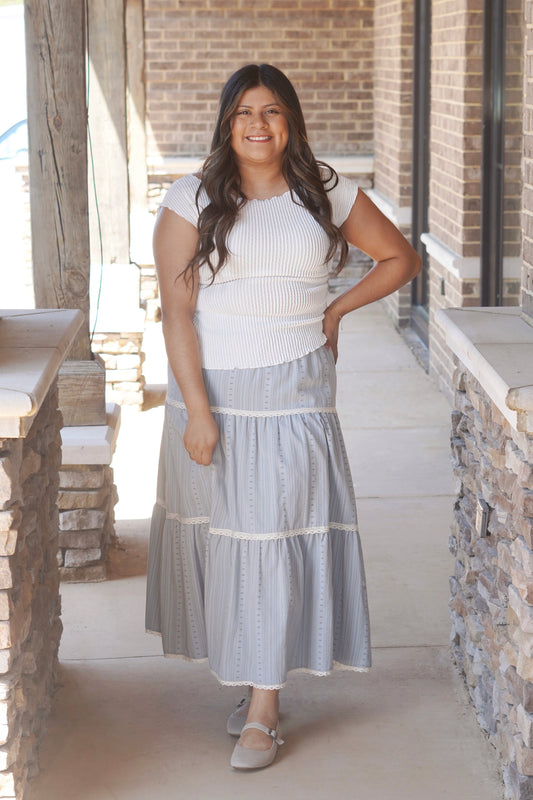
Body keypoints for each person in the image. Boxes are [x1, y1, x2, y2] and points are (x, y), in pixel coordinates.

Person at [145, 63, 421, 771]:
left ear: (290, 120)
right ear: (226, 122)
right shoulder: (189, 197)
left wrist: (334, 308)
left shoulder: (324, 191)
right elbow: (177, 313)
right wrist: (198, 411)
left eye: (271, 111)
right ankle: (253, 677)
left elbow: (397, 259)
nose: (257, 125)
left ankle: (263, 709)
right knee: (231, 545)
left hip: (296, 389)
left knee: (273, 540)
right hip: (211, 393)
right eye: (243, 112)